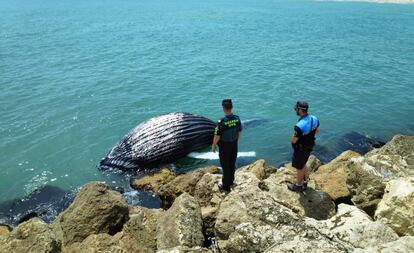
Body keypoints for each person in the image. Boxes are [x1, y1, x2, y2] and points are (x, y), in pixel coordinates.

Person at [288, 101, 320, 192]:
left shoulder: (299, 126)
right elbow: (317, 130)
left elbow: (294, 140)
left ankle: (298, 186)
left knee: (299, 167)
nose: (296, 111)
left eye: (296, 109)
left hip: (301, 148)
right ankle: (305, 181)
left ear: (301, 110)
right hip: (310, 145)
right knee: (304, 162)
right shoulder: (314, 119)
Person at [212, 99, 242, 192]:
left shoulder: (221, 122)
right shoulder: (237, 118)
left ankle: (226, 186)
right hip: (234, 144)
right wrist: (235, 140)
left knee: (225, 166)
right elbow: (239, 132)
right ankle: (231, 181)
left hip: (224, 147)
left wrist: (213, 145)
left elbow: (217, 135)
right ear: (231, 107)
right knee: (232, 163)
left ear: (223, 108)